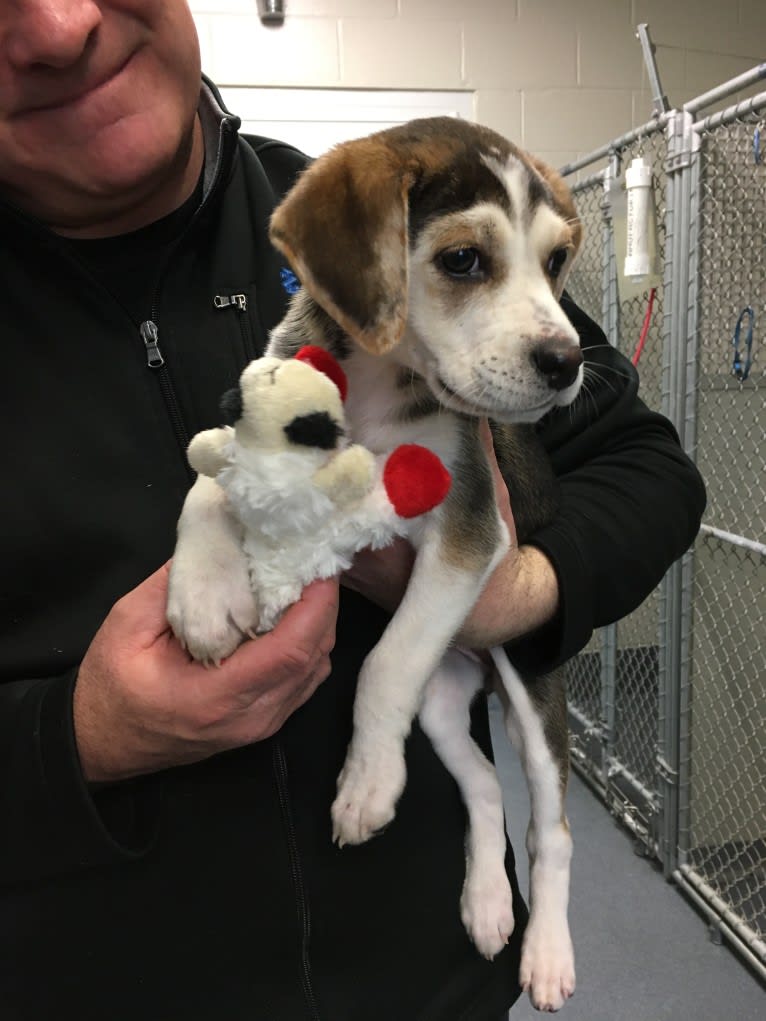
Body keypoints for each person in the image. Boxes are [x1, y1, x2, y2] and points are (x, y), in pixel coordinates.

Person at [0, 3, 706, 1020]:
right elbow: (233, 465)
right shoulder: (357, 245)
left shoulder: (403, 208)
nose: (61, 25)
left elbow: (644, 464)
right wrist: (79, 736)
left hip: (434, 981)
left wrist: (515, 594)